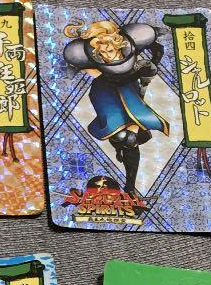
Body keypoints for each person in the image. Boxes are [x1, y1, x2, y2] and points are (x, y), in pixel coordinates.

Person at [62, 19, 167, 197]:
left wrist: (153, 64)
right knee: (120, 136)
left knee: (131, 139)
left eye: (109, 51)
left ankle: (130, 188)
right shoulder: (92, 60)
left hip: (129, 91)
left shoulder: (131, 48)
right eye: (102, 53)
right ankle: (119, 148)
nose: (106, 56)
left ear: (117, 46)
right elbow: (77, 70)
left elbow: (157, 48)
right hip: (105, 94)